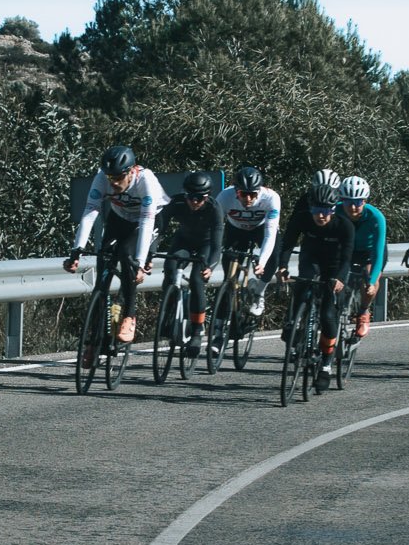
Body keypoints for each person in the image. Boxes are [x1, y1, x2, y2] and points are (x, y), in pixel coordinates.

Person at [65, 145, 166, 347]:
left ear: (131, 172)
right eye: (110, 178)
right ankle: (96, 336)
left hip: (147, 221)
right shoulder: (102, 177)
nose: (114, 183)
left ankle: (129, 314)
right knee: (103, 263)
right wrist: (76, 250)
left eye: (119, 177)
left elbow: (147, 223)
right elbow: (90, 212)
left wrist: (139, 262)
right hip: (119, 218)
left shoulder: (146, 182)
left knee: (128, 255)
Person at [269, 169, 360, 382]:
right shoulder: (302, 218)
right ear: (310, 207)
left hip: (334, 265)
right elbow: (288, 242)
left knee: (328, 315)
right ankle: (293, 323)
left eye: (326, 210)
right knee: (301, 289)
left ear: (333, 209)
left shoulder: (344, 225)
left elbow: (347, 258)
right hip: (311, 258)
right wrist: (282, 266)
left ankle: (326, 365)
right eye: (317, 210)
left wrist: (339, 278)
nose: (321, 215)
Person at [152, 171, 225, 355]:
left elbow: (217, 245)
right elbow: (158, 229)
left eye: (199, 198)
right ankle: (169, 315)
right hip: (183, 241)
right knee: (170, 268)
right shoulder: (176, 202)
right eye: (190, 197)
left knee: (196, 279)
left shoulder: (214, 209)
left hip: (206, 245)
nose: (194, 201)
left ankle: (197, 330)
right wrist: (150, 252)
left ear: (207, 197)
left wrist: (210, 266)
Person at [213, 164, 282, 325]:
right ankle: (223, 321)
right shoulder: (224, 197)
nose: (248, 199)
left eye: (252, 194)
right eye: (243, 194)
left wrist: (262, 262)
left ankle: (259, 294)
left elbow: (270, 234)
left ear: (260, 191)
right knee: (229, 278)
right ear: (236, 191)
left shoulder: (271, 198)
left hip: (261, 228)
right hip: (236, 229)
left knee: (274, 258)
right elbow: (214, 227)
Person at [340, 175, 386, 341]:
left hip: (369, 251)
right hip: (346, 249)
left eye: (358, 202)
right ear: (341, 200)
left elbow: (379, 253)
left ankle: (363, 311)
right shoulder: (336, 211)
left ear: (365, 201)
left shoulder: (376, 217)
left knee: (368, 281)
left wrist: (372, 282)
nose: (352, 207)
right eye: (347, 202)